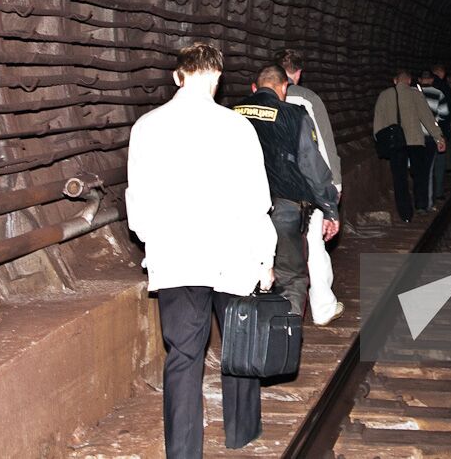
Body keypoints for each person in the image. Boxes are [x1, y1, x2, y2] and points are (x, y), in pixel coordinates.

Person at [125, 43, 276, 454]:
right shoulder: (237, 128)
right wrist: (265, 259)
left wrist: (154, 241)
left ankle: (183, 451)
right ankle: (241, 433)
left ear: (178, 76)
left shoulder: (147, 128)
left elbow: (136, 204)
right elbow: (257, 200)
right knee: (239, 346)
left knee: (183, 356)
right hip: (233, 255)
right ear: (217, 77)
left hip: (177, 258)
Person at [234, 65, 340, 318]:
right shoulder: (295, 115)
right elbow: (310, 165)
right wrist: (330, 208)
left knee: (245, 273)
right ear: (284, 87)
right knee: (291, 276)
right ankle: (286, 336)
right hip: (286, 206)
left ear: (254, 88)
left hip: (241, 208)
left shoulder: (232, 114)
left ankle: (249, 334)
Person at [275, 48, 345, 327]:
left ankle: (279, 305)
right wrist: (334, 188)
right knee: (313, 246)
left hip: (274, 190)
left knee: (278, 248)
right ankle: (323, 306)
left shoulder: (259, 100)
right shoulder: (308, 99)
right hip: (308, 187)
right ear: (299, 72)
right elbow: (324, 146)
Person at [372, 70, 445, 221]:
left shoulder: (384, 95)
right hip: (415, 141)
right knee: (420, 175)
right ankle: (421, 206)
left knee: (400, 178)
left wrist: (380, 140)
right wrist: (438, 137)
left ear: (394, 81)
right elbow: (427, 117)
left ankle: (405, 214)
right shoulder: (415, 95)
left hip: (395, 143)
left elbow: (378, 122)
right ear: (409, 81)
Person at [417, 70, 448, 206]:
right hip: (430, 136)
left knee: (417, 170)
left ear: (419, 79)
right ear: (432, 80)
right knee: (428, 171)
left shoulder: (412, 93)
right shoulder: (438, 94)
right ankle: (427, 203)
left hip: (414, 136)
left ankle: (419, 203)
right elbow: (444, 114)